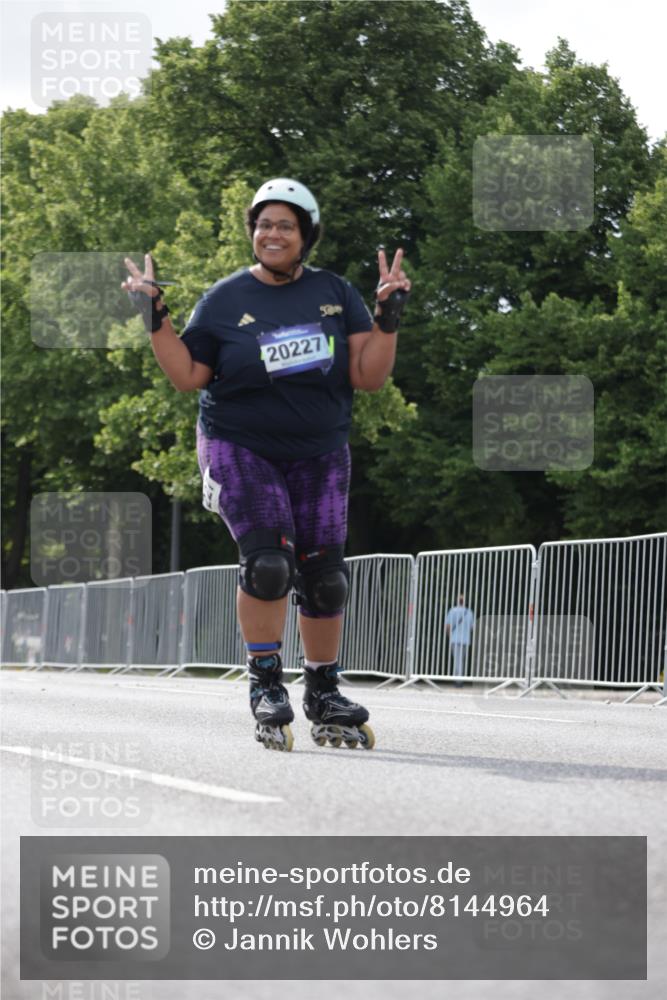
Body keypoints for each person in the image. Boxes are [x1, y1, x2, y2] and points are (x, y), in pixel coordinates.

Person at [122, 178, 410, 751]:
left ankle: (323, 689)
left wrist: (387, 317)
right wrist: (155, 317)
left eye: (285, 225)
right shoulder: (226, 300)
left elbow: (369, 377)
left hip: (320, 449)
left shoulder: (334, 293)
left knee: (326, 577)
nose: (272, 234)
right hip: (239, 443)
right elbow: (187, 377)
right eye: (264, 224)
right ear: (252, 232)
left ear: (305, 236)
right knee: (270, 566)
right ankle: (266, 683)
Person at [445, 595, 475, 687]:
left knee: (457, 660)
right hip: (465, 640)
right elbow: (472, 627)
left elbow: (448, 626)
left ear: (457, 601)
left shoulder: (452, 611)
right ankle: (459, 679)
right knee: (461, 659)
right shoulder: (469, 612)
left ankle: (458, 680)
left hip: (455, 639)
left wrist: (450, 635)